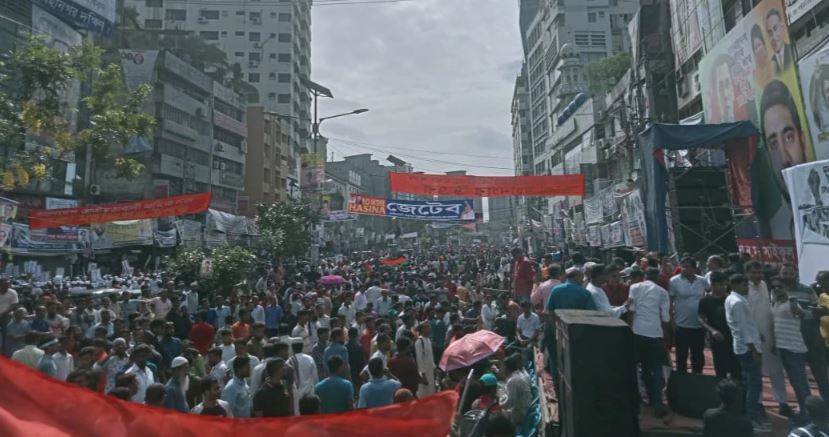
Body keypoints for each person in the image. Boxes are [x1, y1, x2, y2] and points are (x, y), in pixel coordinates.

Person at [726, 274, 770, 432]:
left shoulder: (734, 299)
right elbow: (743, 328)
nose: (747, 288)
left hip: (744, 346)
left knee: (747, 382)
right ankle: (752, 418)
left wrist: (758, 334)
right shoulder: (737, 302)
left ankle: (746, 412)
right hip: (747, 348)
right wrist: (753, 349)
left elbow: (747, 324)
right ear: (736, 285)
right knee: (754, 383)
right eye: (744, 285)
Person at [746, 260, 790, 417]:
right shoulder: (744, 289)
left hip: (771, 334)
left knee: (776, 371)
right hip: (754, 338)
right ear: (747, 274)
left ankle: (783, 403)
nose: (757, 275)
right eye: (753, 272)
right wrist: (754, 334)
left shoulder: (765, 285)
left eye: (759, 272)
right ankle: (758, 404)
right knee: (755, 374)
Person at [628, 267, 670, 418]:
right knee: (656, 369)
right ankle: (657, 402)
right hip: (655, 333)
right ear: (658, 277)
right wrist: (666, 337)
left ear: (644, 276)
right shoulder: (662, 292)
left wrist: (629, 329)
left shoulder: (634, 287)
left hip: (638, 332)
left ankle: (637, 399)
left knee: (636, 366)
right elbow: (665, 318)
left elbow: (631, 309)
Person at [770, 276, 812, 422]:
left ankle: (809, 415)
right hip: (782, 348)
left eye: (779, 287)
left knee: (800, 383)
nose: (776, 289)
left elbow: (801, 314)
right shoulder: (774, 303)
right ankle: (803, 409)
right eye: (774, 287)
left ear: (786, 289)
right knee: (794, 382)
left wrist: (796, 307)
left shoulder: (792, 303)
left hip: (794, 349)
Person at [698, 271, 740, 380]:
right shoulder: (705, 301)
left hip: (733, 337)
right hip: (718, 339)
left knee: (736, 369)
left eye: (725, 285)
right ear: (712, 285)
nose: (724, 287)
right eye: (721, 284)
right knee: (720, 369)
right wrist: (712, 331)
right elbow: (701, 319)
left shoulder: (730, 298)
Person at [669, 257, 707, 374]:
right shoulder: (674, 281)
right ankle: (682, 382)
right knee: (681, 356)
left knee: (698, 356)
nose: (684, 269)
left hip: (699, 325)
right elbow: (670, 302)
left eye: (687, 266)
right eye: (682, 266)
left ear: (694, 268)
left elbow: (709, 295)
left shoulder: (702, 281)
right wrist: (672, 321)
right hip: (681, 325)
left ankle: (698, 379)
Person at [289, 340, 319, 414]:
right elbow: (315, 376)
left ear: (292, 349)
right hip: (310, 393)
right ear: (302, 348)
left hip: (297, 395)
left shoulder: (290, 361)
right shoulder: (309, 358)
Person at [501, 353, 531, 426]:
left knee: (497, 416)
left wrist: (500, 404)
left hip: (520, 413)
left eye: (503, 367)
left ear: (506, 368)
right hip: (523, 408)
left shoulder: (512, 381)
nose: (502, 369)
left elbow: (510, 402)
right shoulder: (517, 375)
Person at [765, 8, 793, 74]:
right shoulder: (770, 66)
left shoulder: (791, 50)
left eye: (775, 28)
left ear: (782, 27)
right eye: (770, 32)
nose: (774, 36)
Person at [414, 321, 436, 398]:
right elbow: (419, 360)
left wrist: (434, 367)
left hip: (430, 371)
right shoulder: (419, 342)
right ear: (422, 329)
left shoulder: (428, 340)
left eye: (429, 327)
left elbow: (430, 356)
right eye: (427, 327)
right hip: (424, 373)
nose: (429, 329)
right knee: (423, 394)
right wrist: (423, 375)